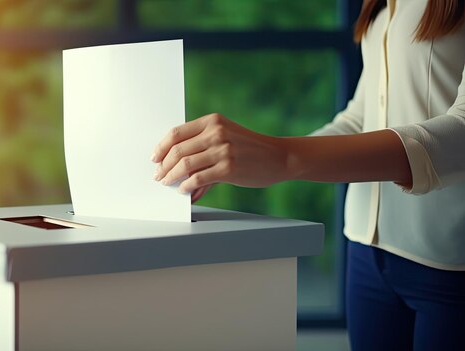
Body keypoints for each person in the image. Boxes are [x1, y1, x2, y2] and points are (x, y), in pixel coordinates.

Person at [150, 0, 465, 349]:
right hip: (364, 249)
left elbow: (461, 131)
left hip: (449, 259)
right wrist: (256, 158)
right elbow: (359, 118)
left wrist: (283, 157)